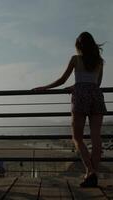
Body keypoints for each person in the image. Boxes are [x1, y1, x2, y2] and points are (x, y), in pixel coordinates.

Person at [32, 32, 106, 187]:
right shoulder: (100, 61)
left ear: (79, 46)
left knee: (77, 137)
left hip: (80, 97)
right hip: (96, 96)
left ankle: (90, 171)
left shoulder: (75, 59)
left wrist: (45, 87)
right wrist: (78, 85)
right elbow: (96, 83)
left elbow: (62, 79)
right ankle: (92, 174)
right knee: (96, 137)